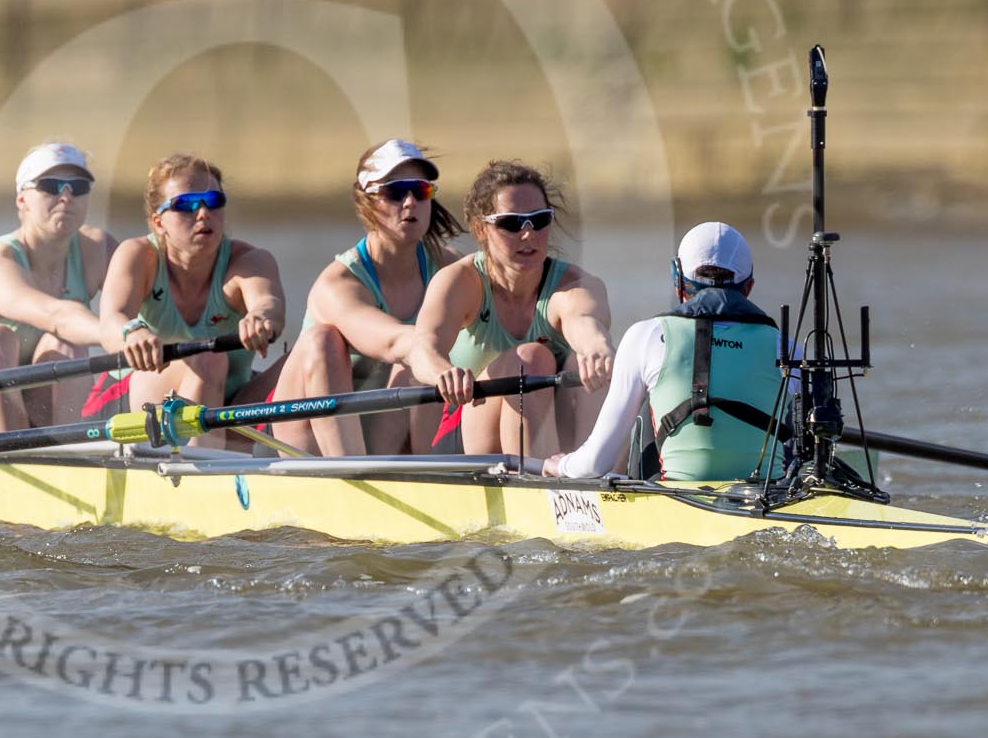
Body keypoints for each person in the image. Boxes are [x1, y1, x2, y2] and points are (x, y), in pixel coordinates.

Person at [543, 222, 786, 481]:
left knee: (647, 412)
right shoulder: (787, 346)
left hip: (676, 502)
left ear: (677, 279)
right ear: (748, 287)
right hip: (769, 500)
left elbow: (594, 464)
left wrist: (561, 465)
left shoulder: (645, 336)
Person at [406, 160, 614, 457]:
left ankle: (589, 482)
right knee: (530, 359)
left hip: (553, 437)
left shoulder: (577, 286)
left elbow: (584, 322)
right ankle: (543, 487)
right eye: (511, 224)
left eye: (539, 220)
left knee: (582, 362)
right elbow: (422, 349)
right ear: (481, 228)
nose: (528, 235)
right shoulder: (459, 282)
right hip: (469, 434)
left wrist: (597, 347)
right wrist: (444, 373)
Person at [270, 139, 461, 457]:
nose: (411, 202)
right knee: (323, 340)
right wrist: (441, 367)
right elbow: (394, 343)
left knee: (416, 369)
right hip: (304, 441)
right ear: (366, 202)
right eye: (396, 192)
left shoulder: (449, 268)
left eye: (421, 190)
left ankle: (435, 477)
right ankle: (351, 479)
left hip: (378, 429)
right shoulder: (339, 283)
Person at [98, 153, 286, 445]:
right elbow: (111, 320)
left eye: (213, 201)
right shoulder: (138, 256)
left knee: (309, 353)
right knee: (210, 361)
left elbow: (269, 304)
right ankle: (205, 471)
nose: (202, 214)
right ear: (159, 222)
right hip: (146, 396)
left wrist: (260, 318)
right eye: (185, 205)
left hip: (231, 402)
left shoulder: (249, 261)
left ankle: (345, 468)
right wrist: (132, 332)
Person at [0, 143, 116, 433]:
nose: (66, 196)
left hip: (23, 402)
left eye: (78, 187)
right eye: (50, 186)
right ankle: (15, 458)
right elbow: (56, 316)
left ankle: (72, 454)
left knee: (68, 345)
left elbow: (156, 303)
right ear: (22, 200)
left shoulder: (97, 250)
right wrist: (121, 334)